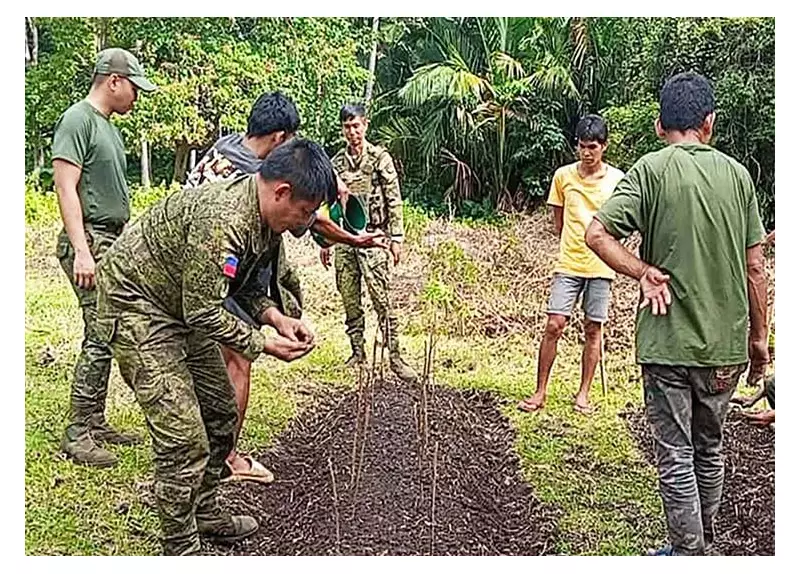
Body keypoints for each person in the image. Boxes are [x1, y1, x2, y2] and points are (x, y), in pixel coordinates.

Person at [96, 138, 332, 555]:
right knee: (184, 437)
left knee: (221, 415)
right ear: (282, 192)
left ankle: (204, 510)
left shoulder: (263, 218)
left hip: (181, 304)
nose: (308, 221)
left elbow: (239, 286)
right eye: (306, 210)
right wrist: (264, 344)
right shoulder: (222, 219)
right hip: (137, 305)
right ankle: (181, 546)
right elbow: (205, 312)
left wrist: (276, 318)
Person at [584, 72, 769, 556]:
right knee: (710, 447)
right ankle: (701, 543)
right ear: (709, 123)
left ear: (659, 123)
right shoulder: (738, 175)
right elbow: (755, 266)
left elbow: (597, 235)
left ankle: (688, 552)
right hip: (725, 346)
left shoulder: (650, 170)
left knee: (675, 452)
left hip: (667, 343)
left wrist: (642, 271)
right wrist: (758, 340)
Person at [185, 91, 386, 484]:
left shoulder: (224, 149)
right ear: (279, 137)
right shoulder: (253, 182)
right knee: (239, 359)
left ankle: (210, 448)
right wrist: (351, 238)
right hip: (218, 274)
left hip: (212, 269)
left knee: (211, 360)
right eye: (291, 140)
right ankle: (227, 458)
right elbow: (305, 220)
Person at [52, 47, 157, 467]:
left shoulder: (108, 127)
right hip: (91, 240)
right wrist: (81, 249)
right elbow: (65, 188)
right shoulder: (78, 120)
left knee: (106, 332)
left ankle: (94, 421)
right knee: (100, 333)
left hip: (110, 240)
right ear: (114, 81)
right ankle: (78, 431)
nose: (137, 96)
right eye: (134, 87)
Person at [517, 115, 624, 415]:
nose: (587, 153)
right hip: (569, 262)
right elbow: (558, 221)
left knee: (593, 328)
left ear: (604, 146)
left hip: (602, 265)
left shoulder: (618, 180)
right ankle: (540, 392)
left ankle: (583, 394)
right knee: (555, 324)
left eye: (593, 147)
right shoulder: (563, 176)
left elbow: (622, 220)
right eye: (581, 146)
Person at [321, 103, 416, 381]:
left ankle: (396, 357)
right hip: (345, 239)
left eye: (356, 126)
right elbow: (328, 204)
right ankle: (357, 353)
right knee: (349, 298)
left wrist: (396, 238)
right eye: (347, 127)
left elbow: (393, 199)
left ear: (366, 125)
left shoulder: (379, 158)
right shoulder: (336, 162)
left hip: (374, 237)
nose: (352, 132)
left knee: (382, 299)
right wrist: (326, 240)